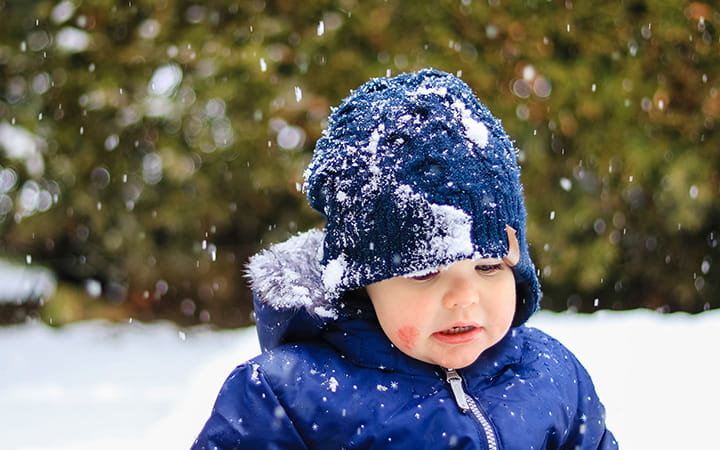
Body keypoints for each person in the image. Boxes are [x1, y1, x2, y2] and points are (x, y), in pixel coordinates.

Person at [192, 69, 617, 449]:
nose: (464, 297)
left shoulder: (551, 377)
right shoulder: (292, 399)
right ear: (363, 285)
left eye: (489, 266)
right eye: (425, 272)